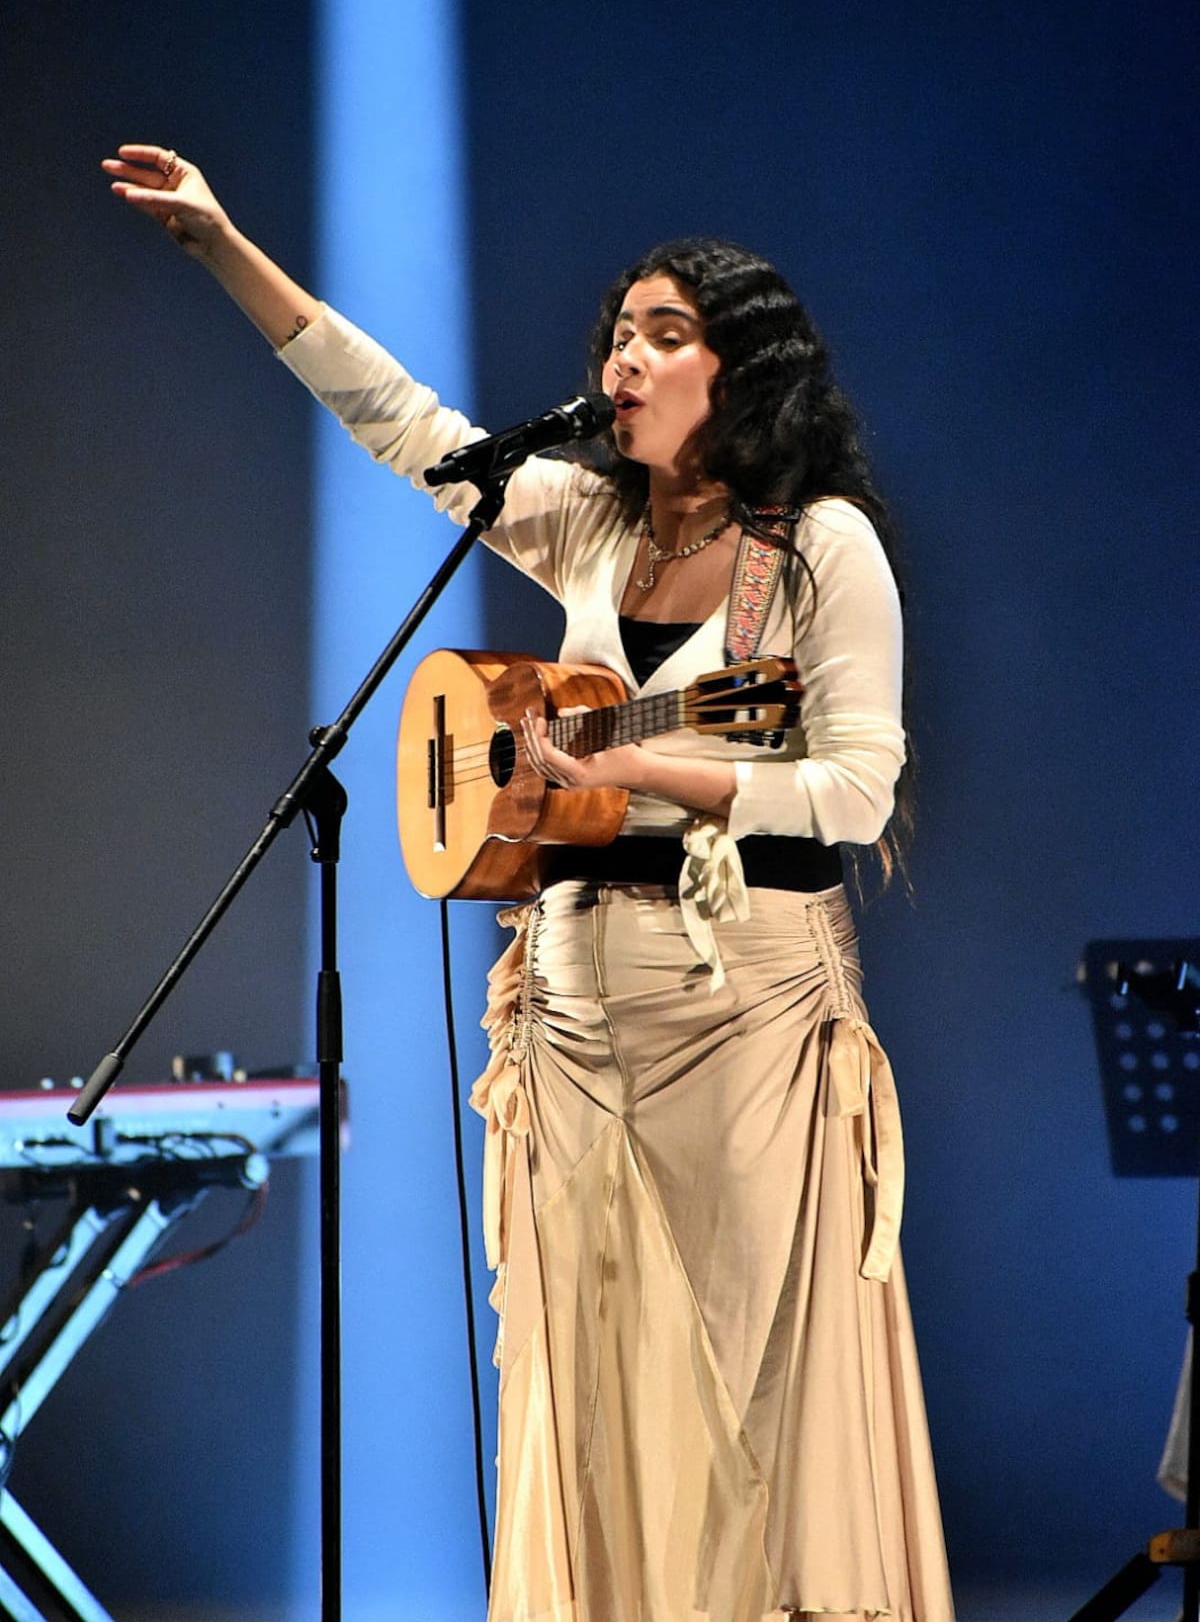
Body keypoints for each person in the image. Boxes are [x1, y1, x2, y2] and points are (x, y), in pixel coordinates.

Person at [103, 143, 956, 1622]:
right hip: (570, 1012)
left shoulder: (817, 550)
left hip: (740, 1008)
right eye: (618, 334)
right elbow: (403, 425)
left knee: (743, 1379)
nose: (627, 358)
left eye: (665, 334)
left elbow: (855, 786)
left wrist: (642, 774)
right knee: (593, 1365)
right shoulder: (586, 516)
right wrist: (221, 247)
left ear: (741, 370)